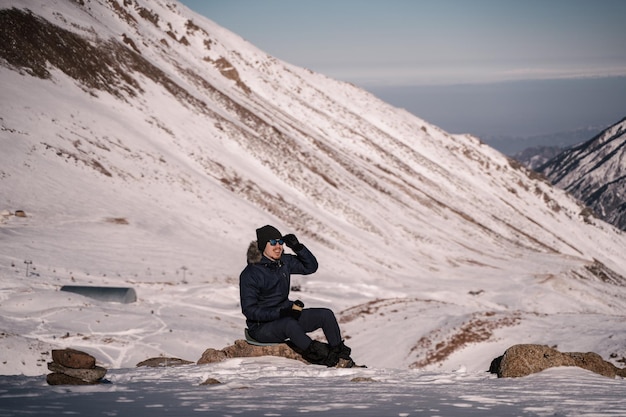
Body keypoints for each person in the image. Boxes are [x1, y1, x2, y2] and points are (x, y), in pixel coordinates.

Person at [239, 225, 354, 367]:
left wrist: (298, 247)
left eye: (280, 242)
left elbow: (310, 267)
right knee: (290, 324)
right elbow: (249, 310)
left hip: (286, 316)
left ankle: (340, 355)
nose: (278, 246)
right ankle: (323, 357)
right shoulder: (251, 273)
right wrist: (280, 313)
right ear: (263, 245)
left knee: (326, 315)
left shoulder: (284, 262)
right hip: (261, 328)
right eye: (273, 243)